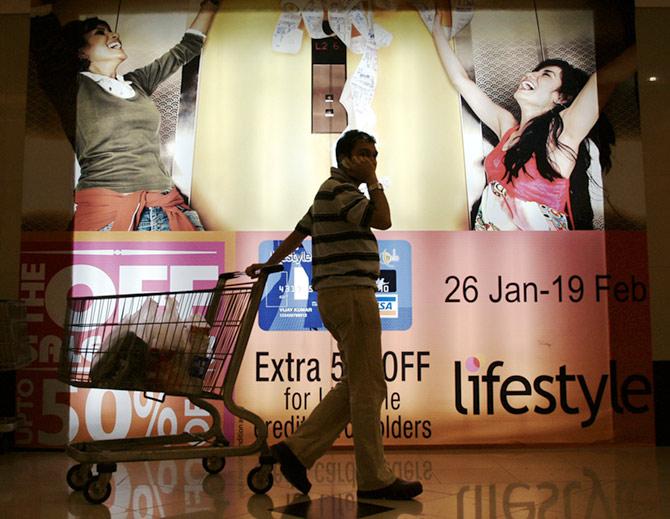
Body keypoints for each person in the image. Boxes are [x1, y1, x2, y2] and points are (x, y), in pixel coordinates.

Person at [245, 130, 423, 500]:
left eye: (374, 155)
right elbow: (384, 220)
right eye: (363, 154)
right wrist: (374, 183)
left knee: (357, 384)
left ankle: (295, 452)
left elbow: (300, 231)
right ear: (344, 157)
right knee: (370, 387)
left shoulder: (328, 190)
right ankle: (374, 478)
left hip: (337, 295)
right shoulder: (341, 191)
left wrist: (269, 264)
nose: (371, 160)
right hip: (352, 294)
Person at [430, 6, 633, 230]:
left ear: (561, 97)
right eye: (534, 71)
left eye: (545, 75)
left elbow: (602, 82)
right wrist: (437, 32)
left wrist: (652, 35)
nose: (530, 75)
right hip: (496, 251)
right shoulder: (506, 125)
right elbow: (462, 82)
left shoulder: (563, 133)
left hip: (540, 254)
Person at [29, 0, 220, 231]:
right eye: (101, 33)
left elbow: (185, 49)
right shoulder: (71, 87)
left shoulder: (136, 83)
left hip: (166, 208)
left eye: (111, 30)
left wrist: (211, 4)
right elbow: (44, 36)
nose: (113, 34)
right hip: (108, 216)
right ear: (81, 51)